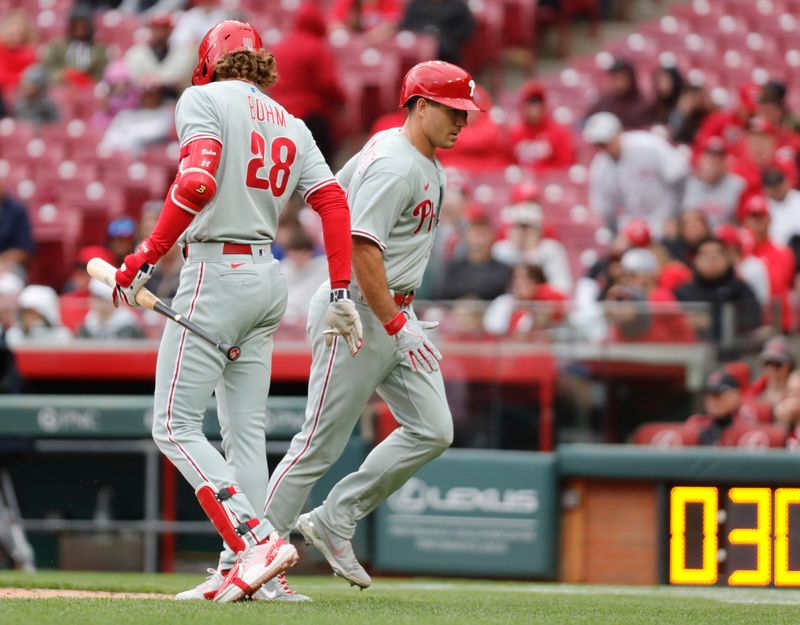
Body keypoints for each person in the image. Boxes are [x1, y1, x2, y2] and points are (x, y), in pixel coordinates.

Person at [112, 21, 361, 603]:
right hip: (267, 276)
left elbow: (196, 181)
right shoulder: (291, 122)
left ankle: (253, 543)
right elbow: (332, 202)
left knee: (172, 424)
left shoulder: (200, 97)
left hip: (216, 272)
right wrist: (342, 289)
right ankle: (248, 576)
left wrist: (145, 256)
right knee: (244, 435)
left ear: (207, 62)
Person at [263, 61, 479, 591]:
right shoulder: (395, 163)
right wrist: (392, 319)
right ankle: (254, 553)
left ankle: (335, 518)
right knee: (317, 442)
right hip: (360, 312)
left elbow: (333, 199)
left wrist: (398, 319)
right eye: (452, 111)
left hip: (390, 311)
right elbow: (362, 247)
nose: (461, 122)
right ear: (420, 104)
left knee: (433, 428)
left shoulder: (410, 155)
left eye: (465, 113)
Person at [584, 111, 689, 238]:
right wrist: (615, 236)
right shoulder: (600, 168)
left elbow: (680, 176)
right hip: (632, 226)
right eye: (599, 144)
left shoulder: (647, 145)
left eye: (607, 142)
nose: (605, 147)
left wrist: (675, 217)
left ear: (618, 132)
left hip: (664, 216)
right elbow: (606, 210)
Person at [268, 3, 346, 163]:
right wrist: (343, 101)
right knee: (318, 169)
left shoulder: (280, 47)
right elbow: (328, 84)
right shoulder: (318, 48)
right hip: (310, 118)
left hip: (278, 117)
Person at [674, 237, 761, 343]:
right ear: (695, 260)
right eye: (705, 254)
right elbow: (670, 325)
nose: (712, 258)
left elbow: (753, 321)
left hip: (733, 352)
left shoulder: (741, 290)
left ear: (728, 259)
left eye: (718, 253)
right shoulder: (682, 293)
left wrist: (713, 322)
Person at [492, 194, 572, 294]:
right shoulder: (500, 250)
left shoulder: (551, 249)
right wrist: (517, 250)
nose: (523, 232)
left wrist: (531, 253)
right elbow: (493, 288)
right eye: (519, 226)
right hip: (510, 303)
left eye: (528, 227)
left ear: (539, 230)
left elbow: (563, 288)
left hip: (541, 304)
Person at [435, 210, 510, 301]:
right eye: (475, 232)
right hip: (454, 312)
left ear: (492, 235)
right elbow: (442, 292)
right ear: (467, 235)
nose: (479, 239)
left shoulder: (502, 269)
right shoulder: (454, 267)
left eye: (483, 233)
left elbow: (497, 291)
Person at [509, 81, 575, 173]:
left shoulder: (558, 132)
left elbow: (565, 165)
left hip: (550, 182)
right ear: (523, 106)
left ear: (544, 105)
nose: (534, 107)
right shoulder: (515, 133)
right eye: (531, 102)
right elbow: (509, 163)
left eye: (538, 102)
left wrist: (539, 172)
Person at [483, 263, 566, 336]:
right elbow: (493, 328)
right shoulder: (503, 302)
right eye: (516, 278)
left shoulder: (545, 304)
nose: (521, 282)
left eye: (528, 278)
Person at [682, 136, 746, 227]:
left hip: (724, 238)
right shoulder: (686, 183)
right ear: (700, 158)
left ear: (725, 161)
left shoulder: (738, 186)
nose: (713, 161)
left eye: (718, 157)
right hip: (692, 238)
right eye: (709, 156)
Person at [124, 13, 195, 94]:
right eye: (156, 28)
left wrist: (155, 80)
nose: (160, 33)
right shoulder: (137, 52)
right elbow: (136, 80)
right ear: (150, 29)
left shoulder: (182, 51)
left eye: (164, 28)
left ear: (170, 30)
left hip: (173, 97)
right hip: (145, 99)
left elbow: (180, 80)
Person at [41, 5, 108, 85]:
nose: (79, 30)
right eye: (76, 26)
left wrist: (88, 80)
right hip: (62, 85)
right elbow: (48, 68)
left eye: (83, 26)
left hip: (88, 88)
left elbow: (102, 73)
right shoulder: (58, 46)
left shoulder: (99, 49)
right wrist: (64, 75)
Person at [279, 229, 329, 329]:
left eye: (302, 253)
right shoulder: (282, 269)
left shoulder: (322, 268)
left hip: (314, 320)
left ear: (310, 253)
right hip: (286, 321)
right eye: (294, 253)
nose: (298, 257)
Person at [399, 0, 474, 65]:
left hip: (445, 46)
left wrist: (442, 35)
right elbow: (406, 24)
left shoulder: (458, 6)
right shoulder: (418, 3)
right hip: (417, 41)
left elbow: (465, 28)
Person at [585, 57, 651, 129]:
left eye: (622, 78)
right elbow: (587, 120)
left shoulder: (642, 103)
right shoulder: (605, 100)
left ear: (631, 79)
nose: (618, 83)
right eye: (615, 78)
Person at [686, 370, 748, 446]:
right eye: (709, 394)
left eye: (718, 394)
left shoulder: (747, 427)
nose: (712, 400)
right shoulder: (697, 424)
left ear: (735, 396)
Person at [76, 279, 146, 339]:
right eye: (93, 297)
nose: (95, 302)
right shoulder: (87, 325)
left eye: (100, 298)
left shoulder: (129, 327)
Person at [5, 285, 72, 347]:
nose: (30, 318)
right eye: (27, 313)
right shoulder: (14, 335)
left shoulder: (62, 335)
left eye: (35, 314)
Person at [744, 335, 795, 409]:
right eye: (768, 363)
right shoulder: (755, 392)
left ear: (789, 366)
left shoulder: (796, 393)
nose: (771, 369)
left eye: (777, 364)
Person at [0, 170, 35, 277]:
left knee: (8, 284)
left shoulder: (17, 210)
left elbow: (24, 250)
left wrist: (3, 260)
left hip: (9, 264)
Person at [0, 9, 38, 101]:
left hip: (23, 97)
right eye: (13, 35)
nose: (16, 38)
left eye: (20, 35)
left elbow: (33, 79)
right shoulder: (1, 50)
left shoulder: (31, 55)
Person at [329, 0, 401, 42]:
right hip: (353, 43)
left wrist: (373, 35)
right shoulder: (348, 2)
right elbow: (333, 22)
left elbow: (393, 23)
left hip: (380, 43)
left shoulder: (387, 1)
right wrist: (353, 36)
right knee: (338, 35)